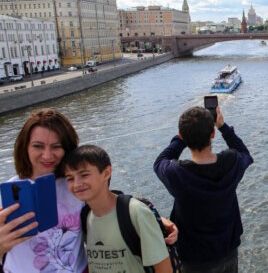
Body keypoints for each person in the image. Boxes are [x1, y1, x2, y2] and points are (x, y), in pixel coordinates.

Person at [154, 106, 253, 272]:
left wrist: (180, 140)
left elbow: (160, 161)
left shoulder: (177, 174)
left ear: (182, 136)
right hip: (228, 252)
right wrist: (223, 126)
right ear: (212, 134)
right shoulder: (231, 163)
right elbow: (244, 152)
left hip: (194, 259)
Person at [0, 108, 88, 272]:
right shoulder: (4, 195)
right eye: (38, 146)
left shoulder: (78, 186)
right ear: (25, 148)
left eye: (56, 147)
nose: (47, 156)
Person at [64, 145, 172, 272]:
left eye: (84, 175)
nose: (76, 184)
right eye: (70, 178)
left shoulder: (135, 212)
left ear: (106, 173)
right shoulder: (85, 216)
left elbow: (164, 269)